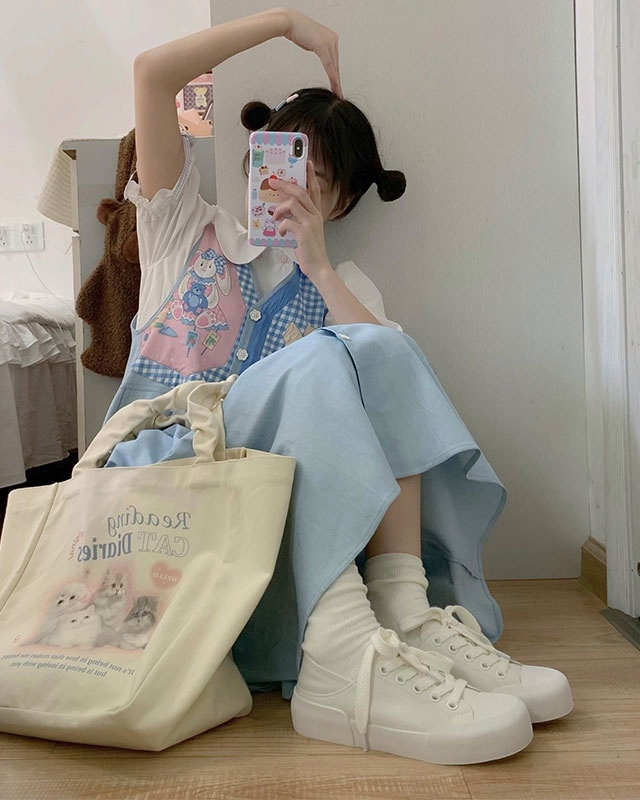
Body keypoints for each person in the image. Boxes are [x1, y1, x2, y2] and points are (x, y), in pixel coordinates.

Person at [104, 7, 573, 764]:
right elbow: (154, 76)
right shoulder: (183, 230)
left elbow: (396, 385)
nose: (290, 189)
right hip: (164, 469)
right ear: (256, 159)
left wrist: (318, 267)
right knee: (341, 355)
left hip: (270, 507)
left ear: (343, 202)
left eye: (316, 181)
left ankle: (404, 611)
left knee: (380, 349)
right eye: (283, 162)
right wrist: (283, 21)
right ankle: (356, 648)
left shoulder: (345, 287)